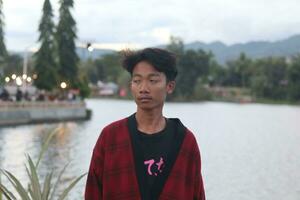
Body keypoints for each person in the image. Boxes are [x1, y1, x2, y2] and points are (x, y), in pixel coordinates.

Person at [85, 48, 205, 200]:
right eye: (137, 81)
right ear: (131, 85)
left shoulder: (186, 142)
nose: (143, 89)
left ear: (170, 86)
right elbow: (92, 192)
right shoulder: (111, 137)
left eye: (152, 80)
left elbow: (197, 194)